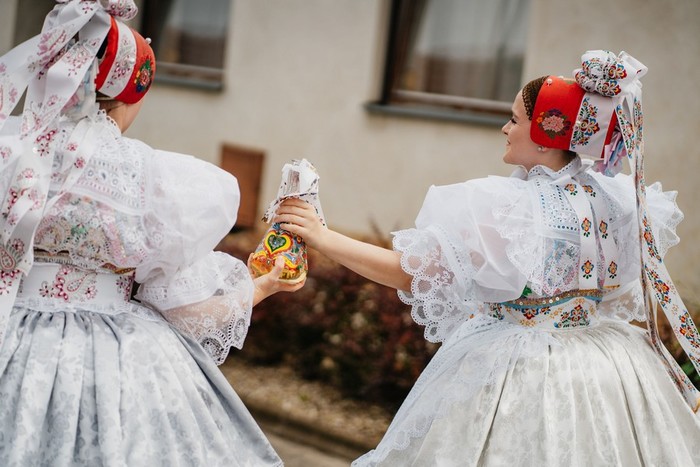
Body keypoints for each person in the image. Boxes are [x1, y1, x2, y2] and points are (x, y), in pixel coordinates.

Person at [277, 50, 700, 465]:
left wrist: (322, 237)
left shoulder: (514, 207)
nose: (505, 128)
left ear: (547, 136)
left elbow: (411, 273)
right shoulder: (616, 198)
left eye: (515, 120)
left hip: (528, 371)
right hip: (608, 368)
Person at [0, 1, 300, 465]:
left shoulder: (8, 150)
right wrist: (263, 286)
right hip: (113, 363)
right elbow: (184, 312)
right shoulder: (151, 179)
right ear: (131, 93)